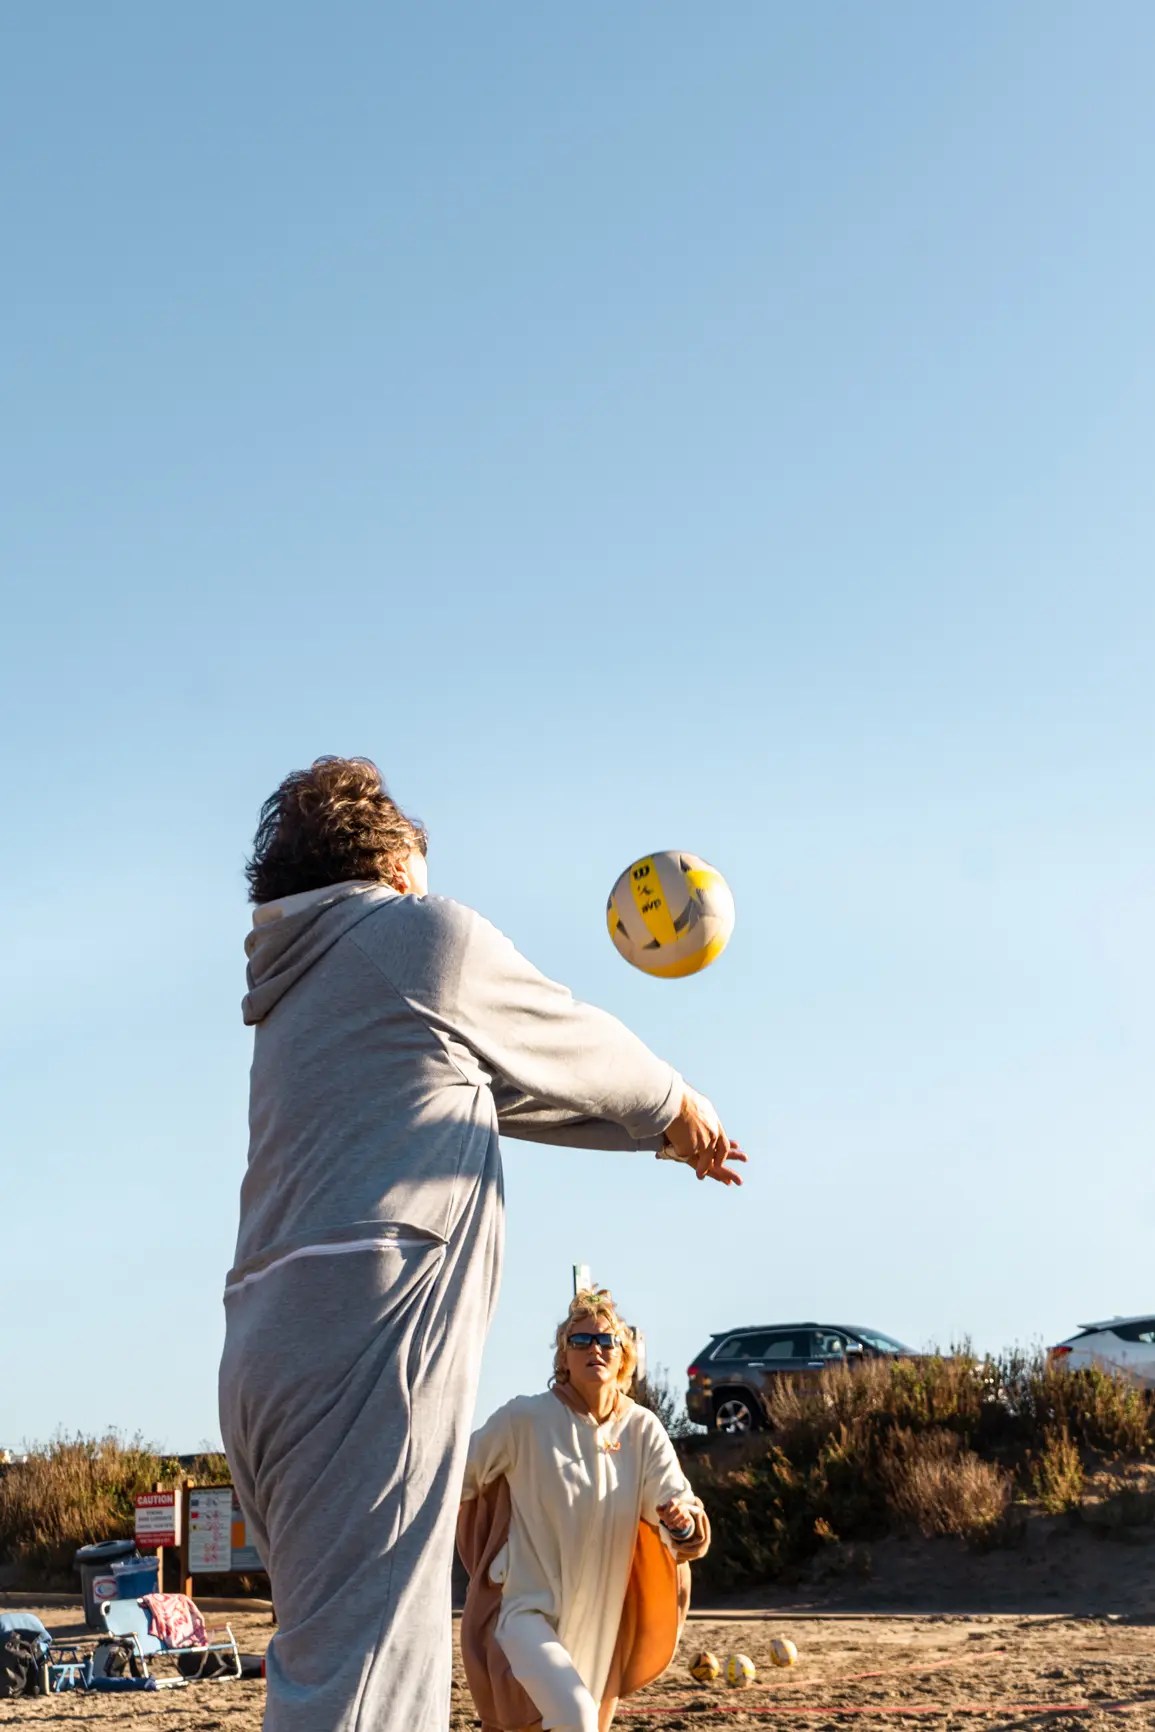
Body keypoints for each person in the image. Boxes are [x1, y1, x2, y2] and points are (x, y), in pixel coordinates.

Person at [217, 756, 744, 1732]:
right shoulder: (413, 936)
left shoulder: (304, 986)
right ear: (392, 861)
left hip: (266, 1349)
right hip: (364, 1342)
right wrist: (679, 1104)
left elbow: (506, 1087)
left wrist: (658, 1132)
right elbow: (566, 1039)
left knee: (341, 1658)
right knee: (366, 1676)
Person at [458, 1290, 710, 1732]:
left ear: (623, 1356)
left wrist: (681, 1522)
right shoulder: (524, 1419)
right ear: (564, 1356)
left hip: (601, 1623)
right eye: (580, 1340)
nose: (595, 1348)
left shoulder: (642, 1429)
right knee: (575, 1717)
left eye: (607, 1340)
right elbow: (454, 1480)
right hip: (525, 1612)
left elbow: (678, 1505)